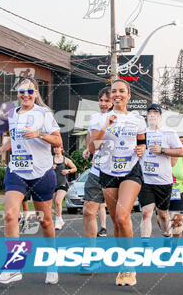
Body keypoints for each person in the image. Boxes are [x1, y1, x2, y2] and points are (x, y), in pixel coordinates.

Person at [0, 77, 62, 285]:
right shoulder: (13, 113)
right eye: (22, 91)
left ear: (36, 93)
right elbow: (14, 138)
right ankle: (14, 266)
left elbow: (58, 140)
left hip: (41, 172)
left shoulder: (43, 114)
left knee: (45, 220)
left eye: (30, 92)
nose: (26, 95)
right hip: (17, 170)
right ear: (17, 92)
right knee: (10, 214)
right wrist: (1, 149)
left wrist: (40, 134)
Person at [89, 78, 146, 286]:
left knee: (123, 217)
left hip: (131, 171)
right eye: (114, 91)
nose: (117, 94)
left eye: (122, 91)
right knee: (115, 222)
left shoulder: (137, 119)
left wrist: (142, 148)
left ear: (128, 96)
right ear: (110, 95)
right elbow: (93, 148)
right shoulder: (98, 119)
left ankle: (129, 265)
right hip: (107, 172)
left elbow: (142, 141)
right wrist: (106, 125)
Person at [138, 104, 183, 246]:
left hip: (163, 181)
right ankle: (145, 245)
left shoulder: (169, 133)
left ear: (160, 116)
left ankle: (167, 236)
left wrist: (162, 150)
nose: (152, 115)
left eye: (155, 113)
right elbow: (135, 149)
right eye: (150, 113)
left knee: (163, 214)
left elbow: (180, 152)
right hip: (146, 180)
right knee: (146, 212)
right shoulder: (141, 133)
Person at [81, 87, 113, 252]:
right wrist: (88, 148)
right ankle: (91, 252)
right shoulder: (95, 117)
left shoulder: (124, 118)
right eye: (101, 100)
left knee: (119, 218)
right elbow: (91, 139)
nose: (103, 104)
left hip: (116, 173)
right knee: (88, 211)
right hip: (97, 171)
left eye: (107, 101)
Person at [168, 134, 183, 241]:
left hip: (180, 191)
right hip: (164, 192)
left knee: (176, 221)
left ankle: (174, 246)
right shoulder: (163, 157)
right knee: (161, 220)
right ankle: (167, 236)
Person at [52, 145, 77, 230]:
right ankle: (60, 219)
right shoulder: (50, 159)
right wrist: (50, 168)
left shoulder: (65, 159)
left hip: (62, 183)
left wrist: (68, 171)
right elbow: (43, 170)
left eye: (57, 147)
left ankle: (57, 221)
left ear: (61, 149)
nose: (56, 149)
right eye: (54, 147)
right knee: (55, 203)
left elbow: (74, 168)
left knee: (58, 202)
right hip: (53, 184)